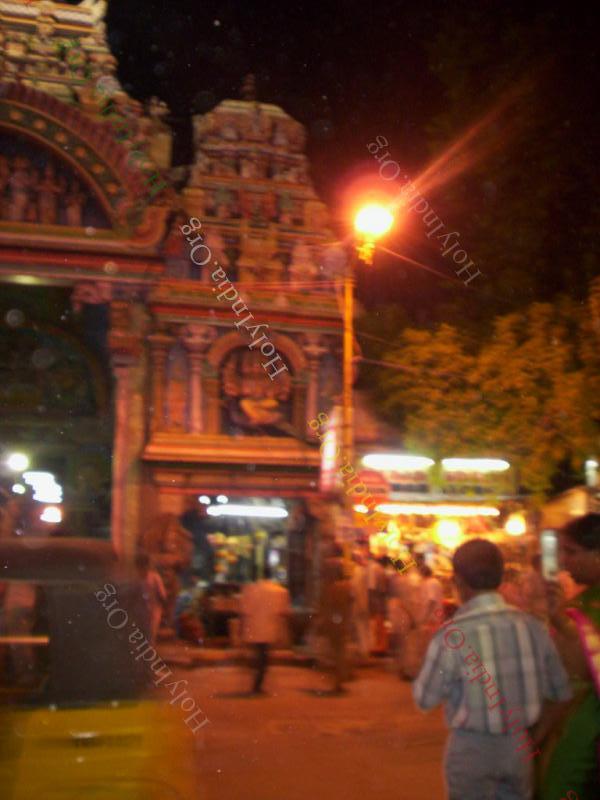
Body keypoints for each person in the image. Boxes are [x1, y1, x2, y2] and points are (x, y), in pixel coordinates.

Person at [413, 539, 572, 800]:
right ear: (501, 578)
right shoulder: (533, 628)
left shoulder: (451, 635)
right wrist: (535, 736)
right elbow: (561, 692)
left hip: (471, 748)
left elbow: (424, 699)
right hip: (519, 746)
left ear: (458, 582)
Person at [536, 514, 600, 800]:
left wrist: (567, 627)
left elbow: (578, 670)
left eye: (571, 551)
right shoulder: (581, 603)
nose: (563, 561)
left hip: (584, 728)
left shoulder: (583, 609)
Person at [239, 565, 290, 695]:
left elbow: (244, 611)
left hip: (254, 628)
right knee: (264, 656)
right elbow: (283, 612)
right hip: (269, 629)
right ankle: (258, 684)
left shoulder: (250, 589)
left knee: (260, 655)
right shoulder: (279, 591)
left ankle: (257, 683)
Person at [317, 556, 354, 693]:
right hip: (342, 622)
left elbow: (324, 606)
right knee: (340, 652)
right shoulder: (346, 587)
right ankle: (340, 679)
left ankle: (338, 681)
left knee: (336, 653)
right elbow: (350, 604)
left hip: (333, 623)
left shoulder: (329, 588)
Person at [135, 552, 167, 645]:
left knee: (151, 634)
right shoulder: (137, 578)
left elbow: (162, 595)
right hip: (141, 610)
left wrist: (163, 609)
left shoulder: (154, 577)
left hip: (154, 610)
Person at [520, 554, 548, 621]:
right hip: (536, 613)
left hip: (546, 612)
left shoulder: (545, 575)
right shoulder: (530, 577)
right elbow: (527, 594)